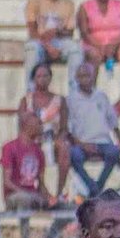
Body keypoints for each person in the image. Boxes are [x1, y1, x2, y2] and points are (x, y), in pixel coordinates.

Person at [2, 111, 64, 238]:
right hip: (14, 197)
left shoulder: (38, 151)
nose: (41, 127)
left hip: (34, 196)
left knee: (67, 207)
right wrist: (28, 194)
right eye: (38, 124)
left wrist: (50, 197)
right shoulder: (10, 148)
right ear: (27, 125)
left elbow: (41, 183)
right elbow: (7, 181)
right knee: (24, 199)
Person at [67, 62, 120, 196]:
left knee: (114, 152)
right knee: (74, 155)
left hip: (103, 141)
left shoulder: (101, 96)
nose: (85, 79)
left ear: (93, 77)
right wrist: (82, 144)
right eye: (82, 76)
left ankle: (98, 186)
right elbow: (68, 129)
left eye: (88, 76)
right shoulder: (71, 99)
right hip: (81, 143)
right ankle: (91, 186)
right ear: (76, 79)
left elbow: (113, 121)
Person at [17, 63, 73, 199]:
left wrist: (59, 138)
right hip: (32, 140)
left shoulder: (60, 100)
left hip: (52, 139)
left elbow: (64, 128)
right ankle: (41, 191)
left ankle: (59, 192)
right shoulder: (26, 101)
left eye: (45, 76)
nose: (42, 79)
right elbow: (21, 126)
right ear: (34, 79)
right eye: (39, 76)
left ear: (50, 78)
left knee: (64, 147)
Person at [77, 0, 120, 106]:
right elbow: (84, 32)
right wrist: (100, 46)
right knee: (93, 56)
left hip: (118, 44)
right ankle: (91, 95)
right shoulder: (85, 7)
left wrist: (114, 45)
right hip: (94, 44)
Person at [24, 0, 85, 87]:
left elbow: (70, 32)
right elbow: (32, 31)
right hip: (39, 41)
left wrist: (57, 32)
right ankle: (31, 91)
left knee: (76, 49)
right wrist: (48, 46)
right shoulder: (35, 0)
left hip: (59, 40)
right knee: (32, 48)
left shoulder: (68, 3)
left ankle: (75, 91)